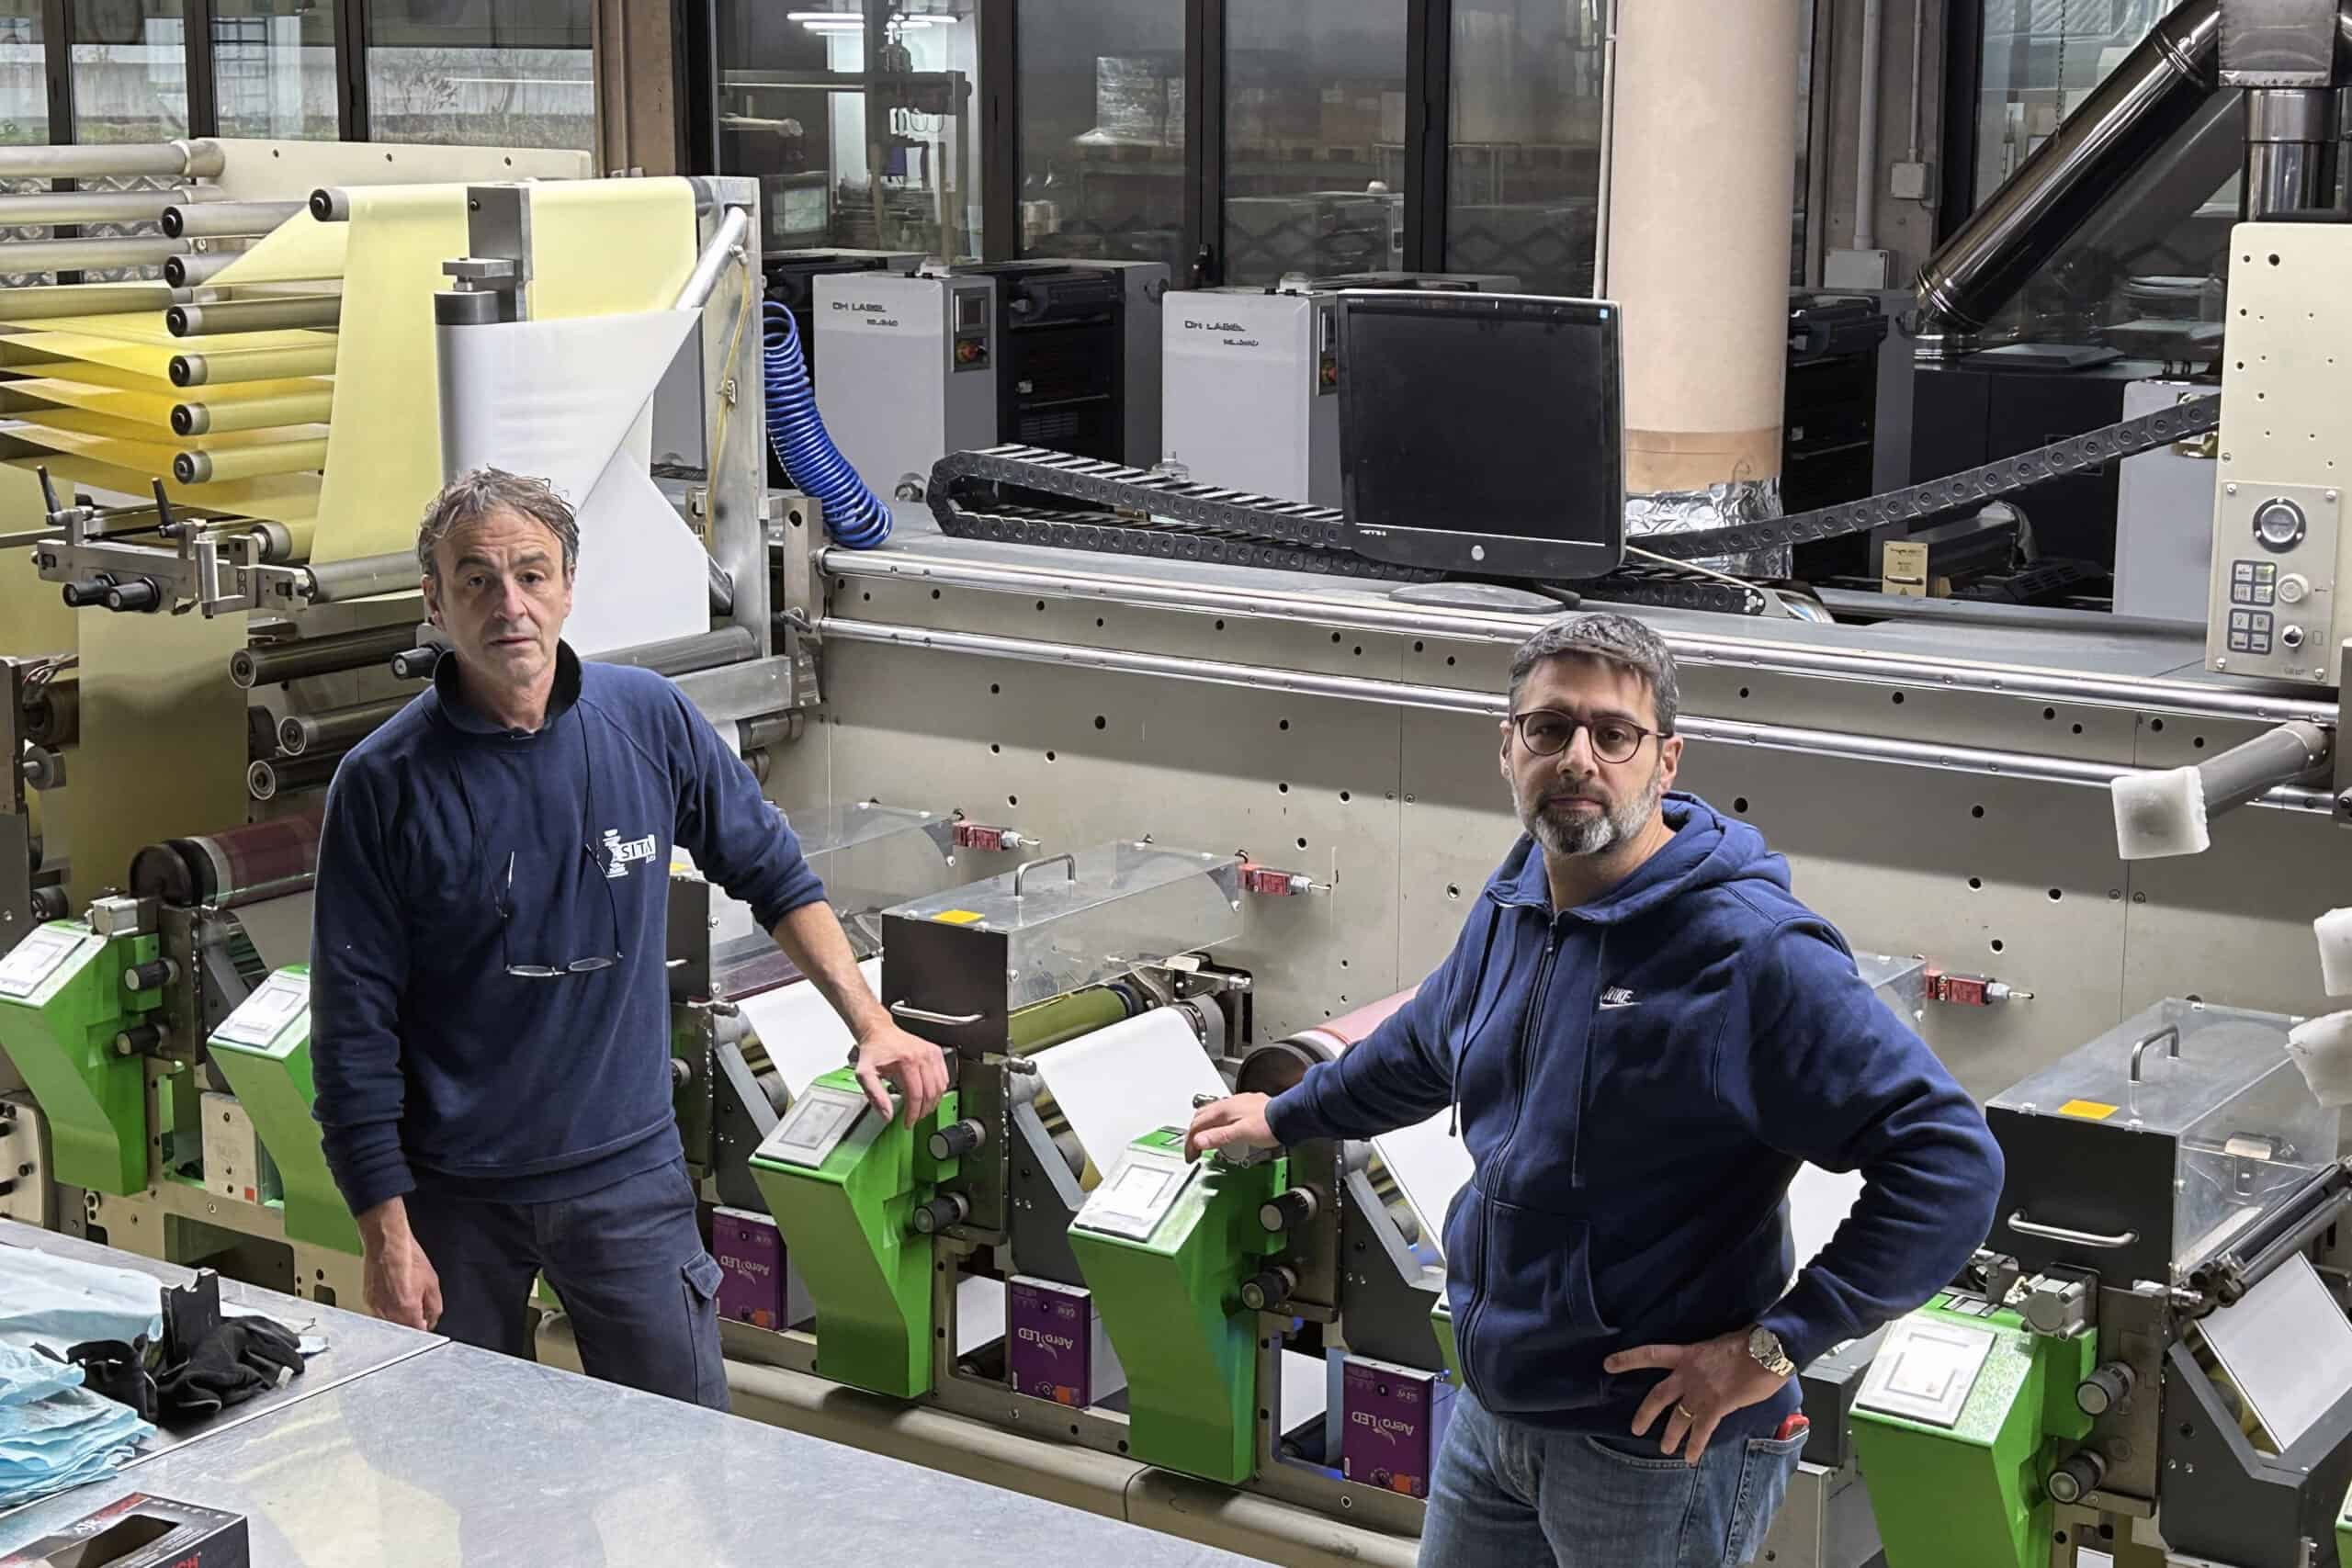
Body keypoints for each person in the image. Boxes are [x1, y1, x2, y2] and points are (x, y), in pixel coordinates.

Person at [1187, 612, 2001, 1567]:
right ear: (1507, 748)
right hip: (1497, 1409)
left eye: (1613, 734)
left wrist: (1776, 1346)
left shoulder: (1748, 952)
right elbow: (1427, 1042)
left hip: (1655, 1447)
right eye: (1548, 728)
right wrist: (1287, 1115)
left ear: (1665, 760)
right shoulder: (1523, 891)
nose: (1578, 757)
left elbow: (1948, 1163)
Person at [311, 467, 946, 1409]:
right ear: (433, 601)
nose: (510, 605)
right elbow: (351, 1031)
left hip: (626, 1181)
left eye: (532, 574)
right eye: (476, 579)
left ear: (569, 584)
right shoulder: (382, 784)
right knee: (472, 1469)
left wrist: (871, 1021)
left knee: (684, 1455)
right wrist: (385, 1235)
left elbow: (774, 874)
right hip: (456, 1200)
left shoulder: (646, 720)